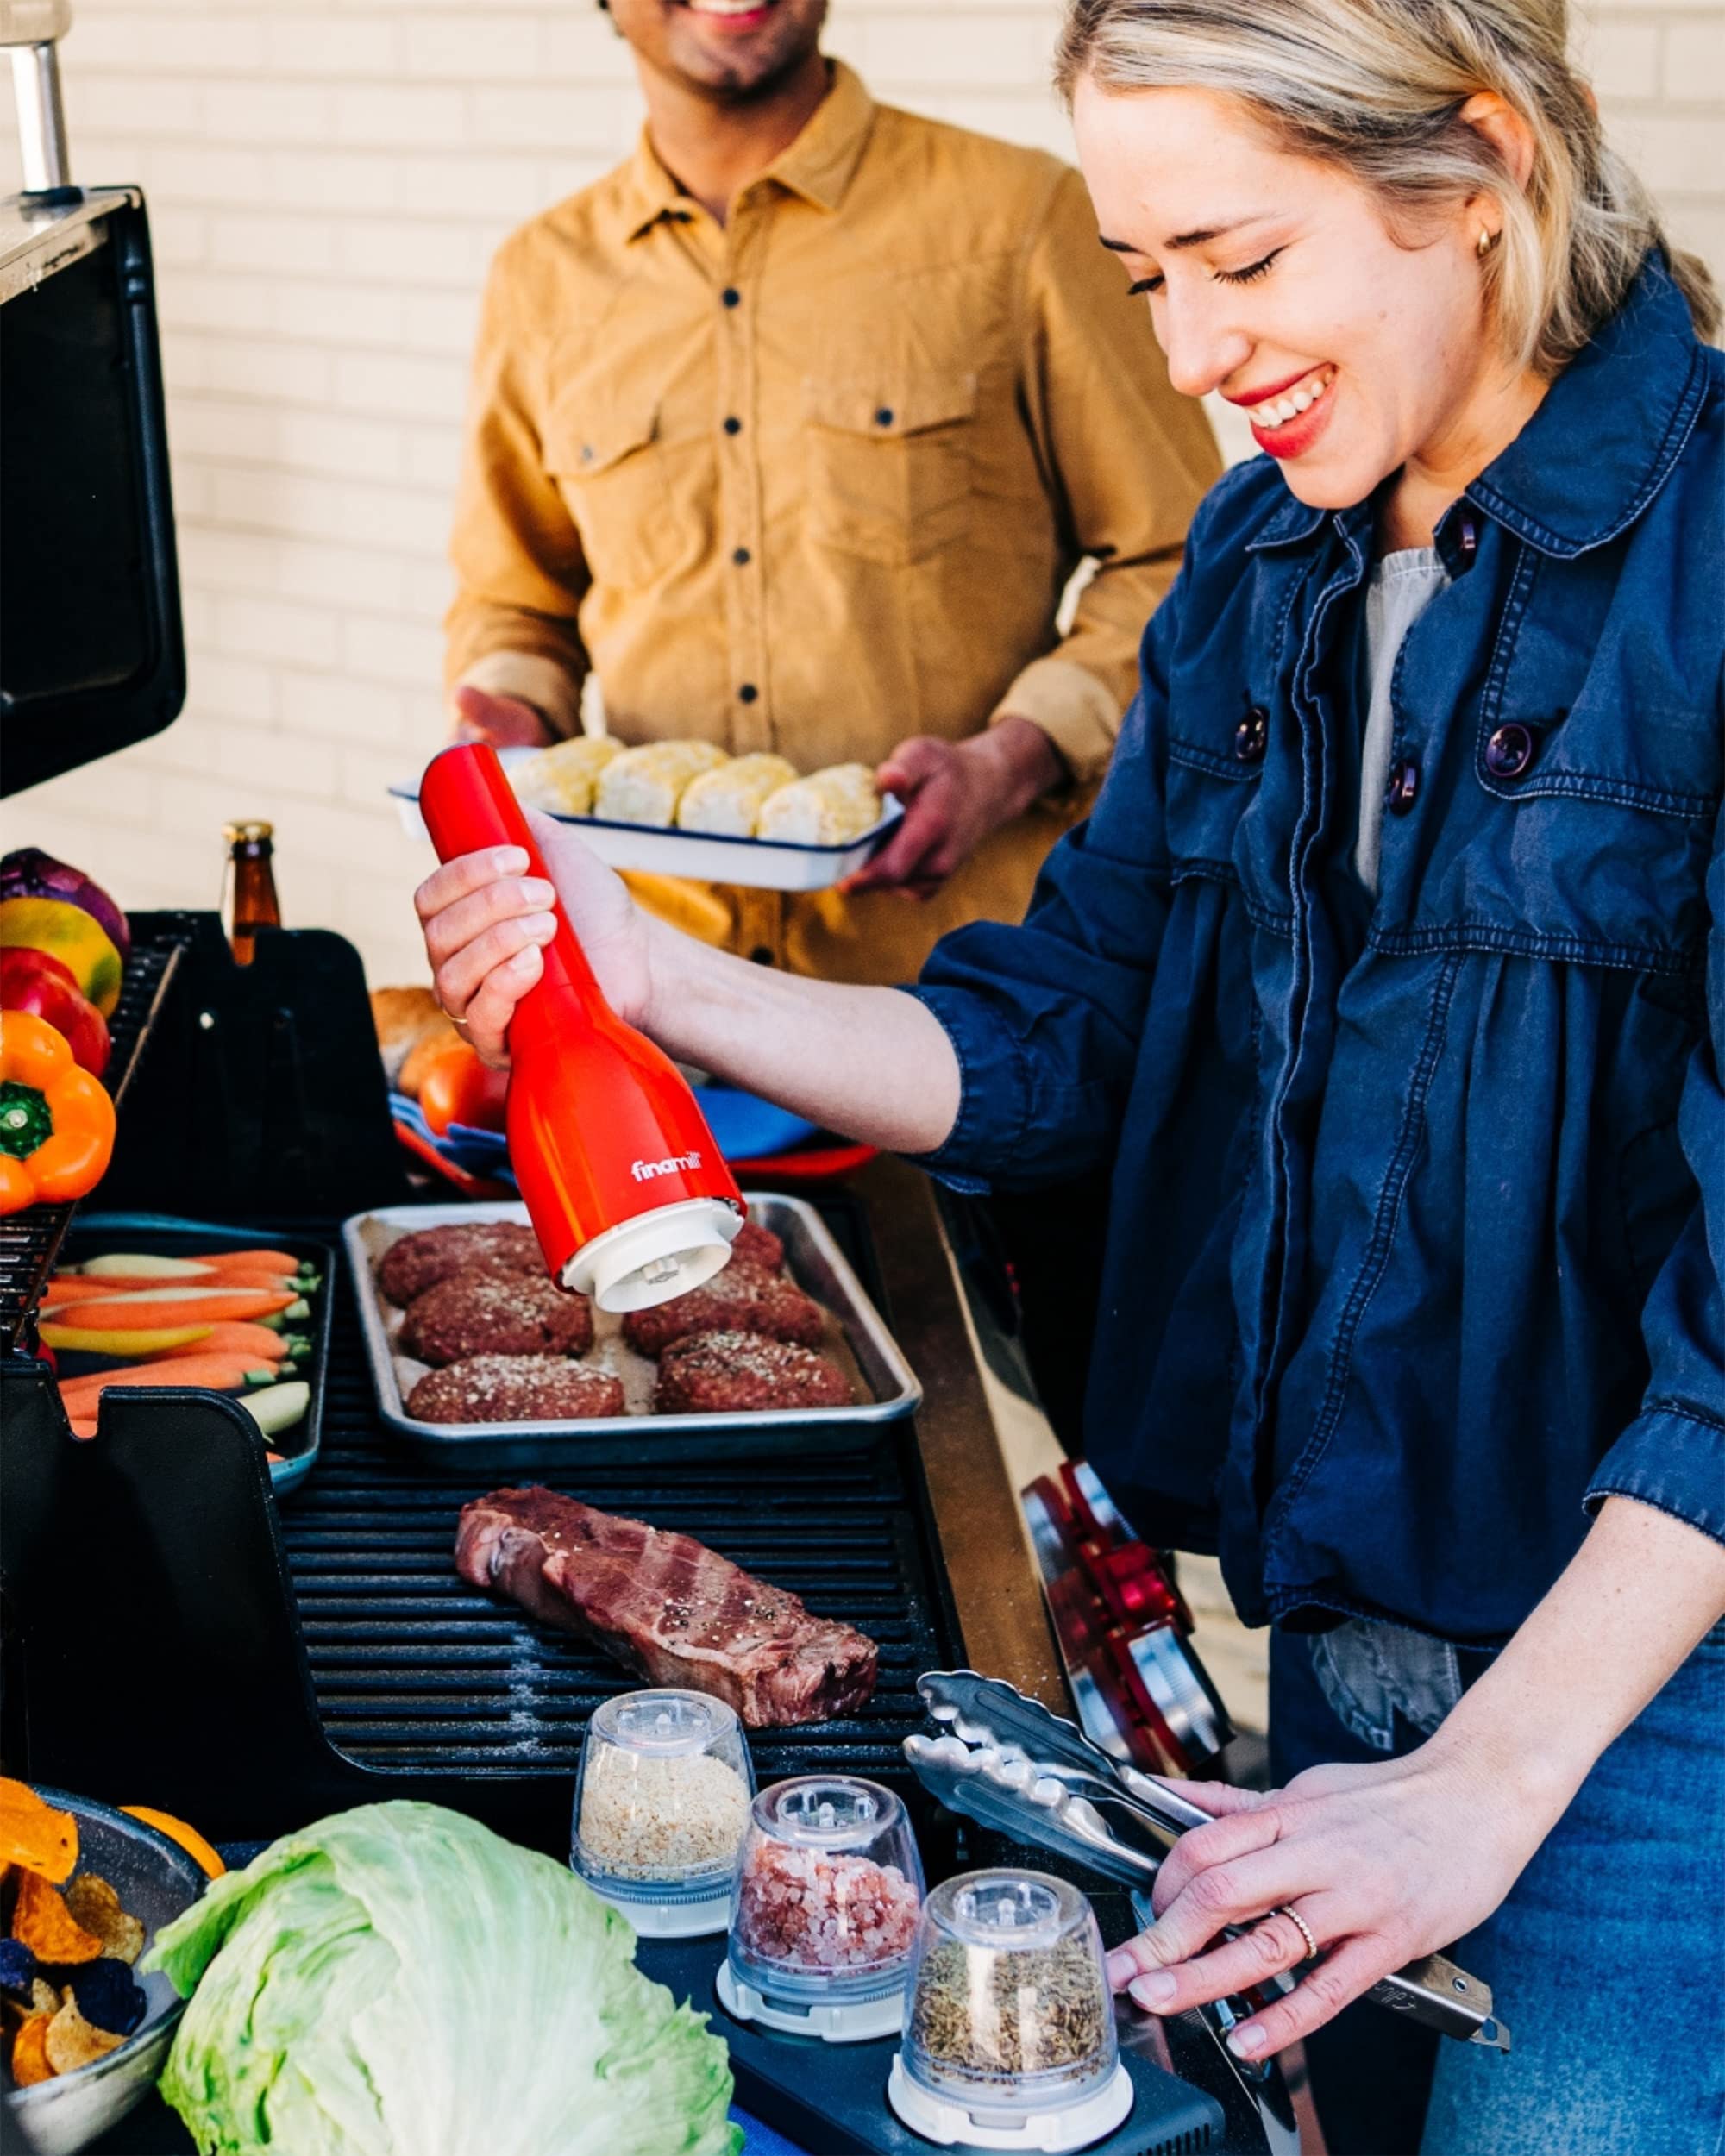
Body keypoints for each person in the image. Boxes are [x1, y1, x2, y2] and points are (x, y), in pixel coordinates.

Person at [417, 0, 1725, 2149]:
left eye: (1240, 259)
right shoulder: (1260, 566)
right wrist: (640, 970)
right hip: (1352, 1649)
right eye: (1145, 281)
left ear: (1473, 169)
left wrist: (1480, 1781)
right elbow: (1069, 1029)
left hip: (1641, 1706)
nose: (1191, 356)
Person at [444, 0, 1218, 989]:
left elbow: (1181, 557)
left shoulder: (1020, 219)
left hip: (967, 995)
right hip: (657, 985)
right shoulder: (539, 280)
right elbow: (515, 600)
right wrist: (511, 707)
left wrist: (1014, 756)